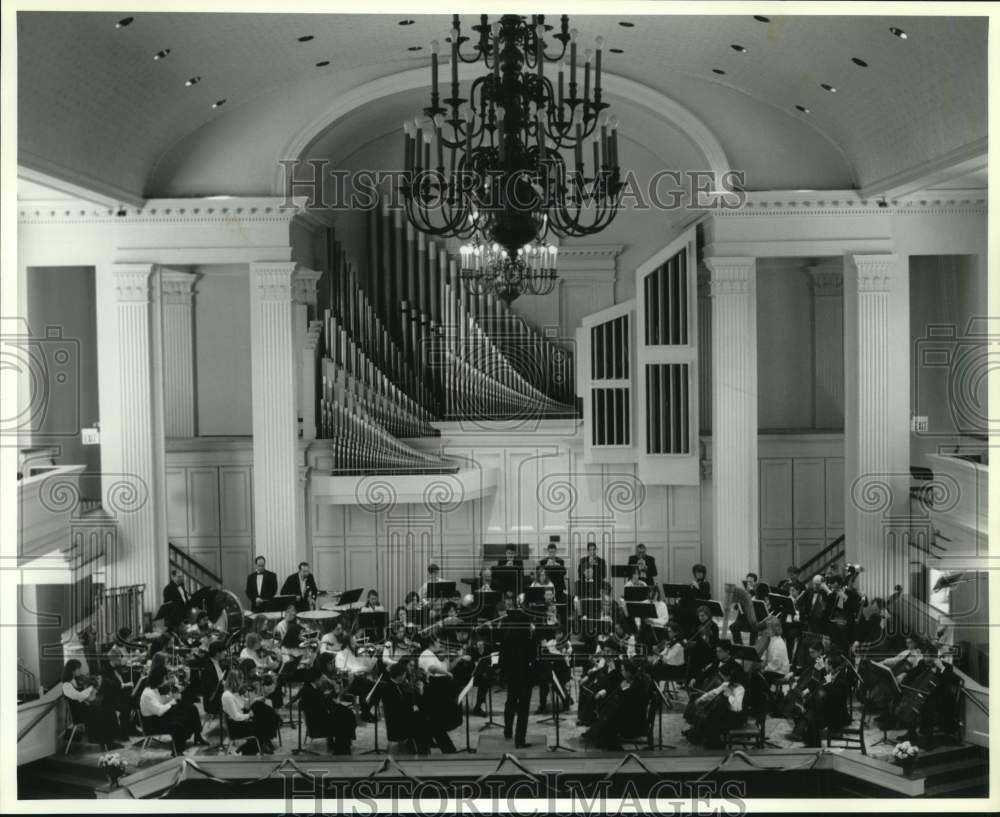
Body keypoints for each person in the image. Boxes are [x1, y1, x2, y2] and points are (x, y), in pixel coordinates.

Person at [139, 665, 204, 754]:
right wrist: (172, 701)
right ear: (158, 679)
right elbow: (159, 711)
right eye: (164, 679)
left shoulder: (154, 689)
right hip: (153, 723)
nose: (166, 681)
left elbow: (161, 702)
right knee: (178, 724)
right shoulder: (148, 694)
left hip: (159, 717)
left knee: (191, 709)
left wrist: (171, 697)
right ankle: (177, 751)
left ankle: (197, 736)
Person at [61, 659, 122, 750]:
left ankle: (110, 741)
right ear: (73, 670)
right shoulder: (66, 685)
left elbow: (84, 697)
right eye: (79, 669)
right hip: (78, 714)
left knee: (108, 708)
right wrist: (91, 688)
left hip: (84, 708)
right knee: (105, 712)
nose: (80, 671)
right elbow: (79, 696)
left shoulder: (74, 681)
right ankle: (106, 743)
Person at [499, 611, 536, 748]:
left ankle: (508, 731)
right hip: (525, 675)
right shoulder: (528, 637)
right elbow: (533, 656)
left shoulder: (507, 636)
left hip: (511, 675)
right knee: (523, 708)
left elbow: (502, 657)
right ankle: (520, 740)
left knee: (510, 702)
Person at [220, 670, 280, 754]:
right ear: (236, 681)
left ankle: (261, 742)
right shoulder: (227, 695)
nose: (242, 683)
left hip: (241, 722)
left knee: (261, 708)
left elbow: (244, 704)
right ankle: (255, 745)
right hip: (236, 727)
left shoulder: (234, 693)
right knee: (265, 721)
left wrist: (256, 699)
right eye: (241, 680)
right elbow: (235, 716)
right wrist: (249, 715)